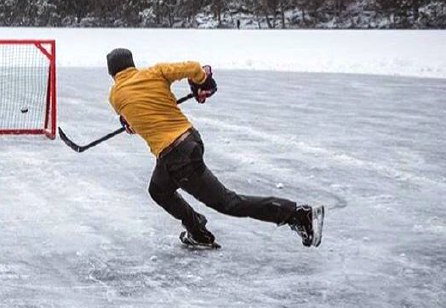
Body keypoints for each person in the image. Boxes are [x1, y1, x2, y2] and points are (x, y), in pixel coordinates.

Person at [106, 48, 324, 249]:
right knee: (158, 190)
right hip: (189, 140)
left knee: (228, 203)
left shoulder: (115, 96)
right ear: (132, 64)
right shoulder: (155, 72)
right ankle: (198, 231)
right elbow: (193, 67)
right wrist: (203, 82)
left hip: (177, 156)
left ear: (111, 72)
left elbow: (134, 119)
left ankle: (297, 214)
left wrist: (129, 123)